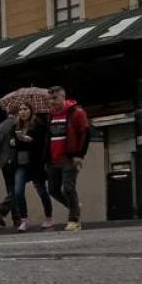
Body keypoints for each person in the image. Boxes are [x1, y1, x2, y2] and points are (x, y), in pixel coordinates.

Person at [46, 86, 91, 231]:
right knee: (52, 190)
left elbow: (85, 132)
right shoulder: (50, 116)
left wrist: (79, 155)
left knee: (68, 188)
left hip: (69, 158)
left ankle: (74, 219)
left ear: (63, 97)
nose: (52, 102)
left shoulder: (76, 112)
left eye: (55, 98)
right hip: (53, 159)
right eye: (50, 99)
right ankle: (74, 207)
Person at [10, 105, 54, 232]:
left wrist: (31, 140)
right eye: (20, 110)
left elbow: (43, 145)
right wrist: (14, 141)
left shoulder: (38, 125)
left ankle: (48, 217)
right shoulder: (15, 126)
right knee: (18, 191)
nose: (22, 112)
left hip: (35, 163)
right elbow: (14, 144)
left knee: (41, 191)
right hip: (21, 163)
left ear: (31, 111)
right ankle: (24, 219)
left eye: (25, 109)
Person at [0, 114, 18, 229]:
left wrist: (1, 159)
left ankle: (17, 219)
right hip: (16, 161)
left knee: (11, 189)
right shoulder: (18, 124)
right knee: (18, 190)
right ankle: (0, 209)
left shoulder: (0, 127)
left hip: (4, 163)